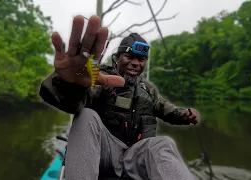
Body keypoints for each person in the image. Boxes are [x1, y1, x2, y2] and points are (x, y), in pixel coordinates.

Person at [39, 15, 201, 180]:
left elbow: (165, 109)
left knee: (164, 143)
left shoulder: (149, 89)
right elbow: (74, 102)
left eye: (141, 59)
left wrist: (184, 114)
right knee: (86, 115)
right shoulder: (99, 77)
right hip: (104, 153)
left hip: (134, 158)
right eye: (130, 57)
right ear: (117, 58)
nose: (135, 63)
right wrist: (69, 83)